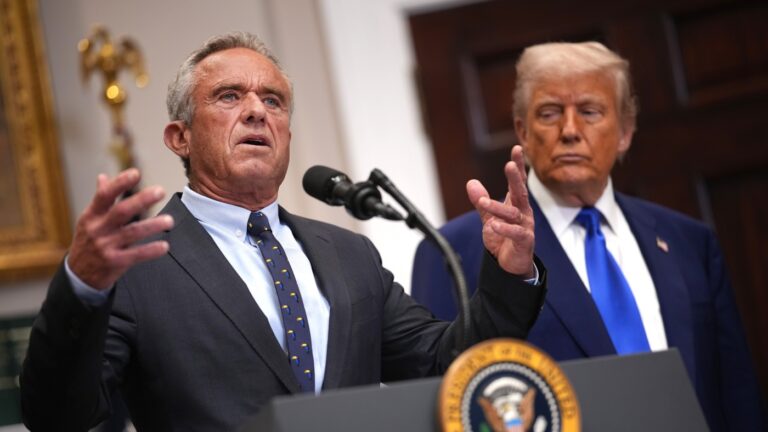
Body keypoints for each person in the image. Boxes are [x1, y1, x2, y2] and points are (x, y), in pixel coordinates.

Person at [20, 32, 546, 431]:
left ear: (287, 135)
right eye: (229, 97)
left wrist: (510, 274)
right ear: (180, 137)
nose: (256, 111)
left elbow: (448, 364)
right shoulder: (138, 263)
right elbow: (60, 416)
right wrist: (81, 285)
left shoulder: (349, 255)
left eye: (272, 101)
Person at [411, 41, 765, 431]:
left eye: (590, 111)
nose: (569, 131)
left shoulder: (688, 241)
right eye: (549, 113)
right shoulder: (455, 251)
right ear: (522, 131)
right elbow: (441, 400)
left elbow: (737, 393)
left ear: (625, 131)